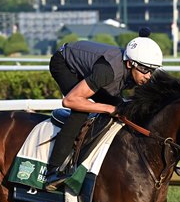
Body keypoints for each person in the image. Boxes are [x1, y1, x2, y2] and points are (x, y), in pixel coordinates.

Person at [46, 28, 163, 190]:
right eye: (145, 70)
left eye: (152, 71)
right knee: (81, 111)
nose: (148, 76)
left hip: (91, 70)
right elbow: (69, 101)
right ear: (130, 63)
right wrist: (107, 108)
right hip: (65, 64)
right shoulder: (107, 72)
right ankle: (53, 171)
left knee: (122, 109)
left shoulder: (135, 69)